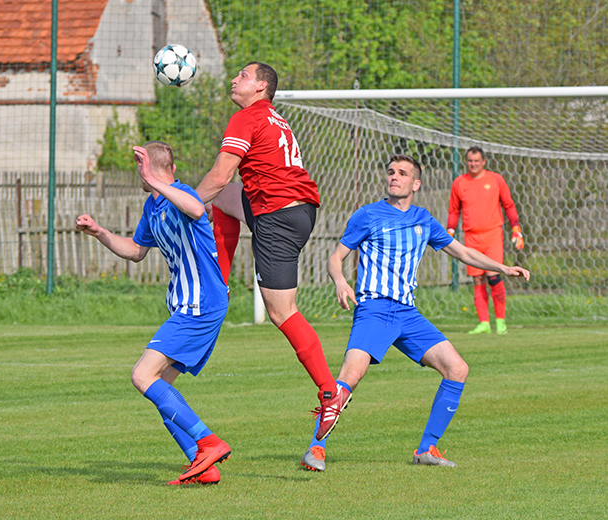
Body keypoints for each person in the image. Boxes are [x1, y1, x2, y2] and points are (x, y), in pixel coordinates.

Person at [300, 154, 530, 471]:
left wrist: (502, 267)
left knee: (457, 369)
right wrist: (340, 281)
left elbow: (462, 251)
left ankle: (426, 449)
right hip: (374, 310)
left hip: (407, 314)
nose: (394, 177)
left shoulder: (424, 219)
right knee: (350, 377)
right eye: (391, 172)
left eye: (403, 173)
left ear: (416, 184)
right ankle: (315, 449)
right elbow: (335, 257)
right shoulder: (367, 215)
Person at [196, 62, 347, 441]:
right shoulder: (274, 118)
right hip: (296, 209)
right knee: (223, 202)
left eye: (243, 76)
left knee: (282, 311)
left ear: (262, 86)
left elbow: (219, 176)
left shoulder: (246, 118)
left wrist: (182, 204)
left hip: (277, 216)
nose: (234, 80)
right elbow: (226, 190)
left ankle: (330, 393)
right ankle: (218, 288)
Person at [76, 141, 231, 485]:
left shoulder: (182, 193)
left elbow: (197, 208)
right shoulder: (153, 205)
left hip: (200, 304)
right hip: (191, 305)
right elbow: (135, 251)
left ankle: (208, 443)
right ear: (171, 167)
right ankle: (202, 464)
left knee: (142, 375)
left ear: (149, 169)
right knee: (161, 388)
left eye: (141, 169)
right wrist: (100, 232)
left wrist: (153, 179)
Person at [447, 146, 525, 335]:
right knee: (477, 278)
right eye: (470, 161)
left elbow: (508, 204)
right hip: (471, 236)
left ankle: (500, 321)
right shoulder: (459, 183)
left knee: (494, 275)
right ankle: (484, 322)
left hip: (492, 234)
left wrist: (516, 228)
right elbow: (454, 210)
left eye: (477, 161)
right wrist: (450, 231)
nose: (473, 164)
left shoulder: (495, 179)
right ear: (466, 162)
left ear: (483, 162)